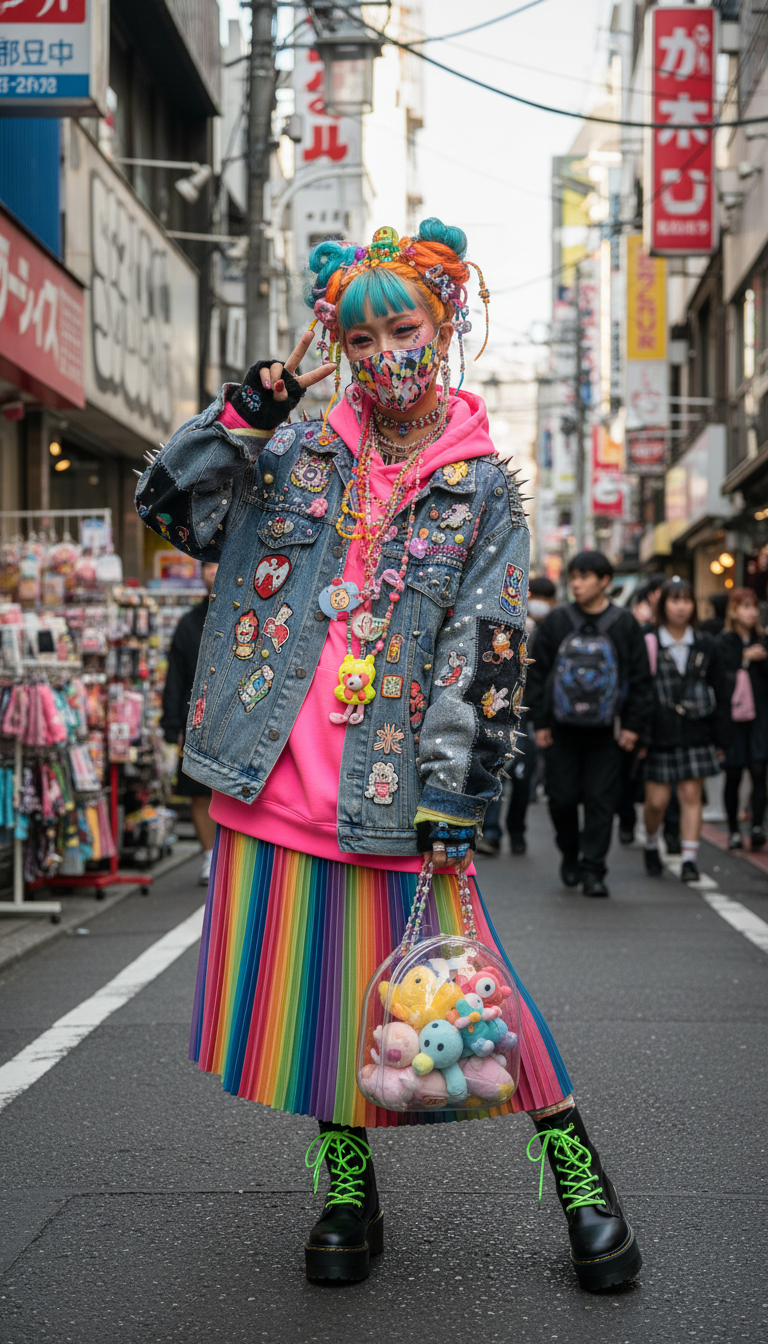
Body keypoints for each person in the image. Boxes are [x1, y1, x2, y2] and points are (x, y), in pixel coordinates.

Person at [136, 219, 641, 1293]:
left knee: (475, 991)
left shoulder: (486, 488)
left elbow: (492, 648)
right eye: (359, 341)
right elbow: (174, 512)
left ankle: (580, 1177)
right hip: (273, 769)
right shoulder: (296, 449)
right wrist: (244, 414)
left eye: (402, 329)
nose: (380, 358)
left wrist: (460, 780)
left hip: (397, 788)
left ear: (445, 324)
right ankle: (347, 1190)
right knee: (327, 997)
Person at [527, 551, 653, 897]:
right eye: (574, 577)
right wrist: (540, 721)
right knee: (562, 799)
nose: (577, 583)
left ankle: (594, 869)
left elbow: (641, 678)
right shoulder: (556, 621)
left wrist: (632, 726)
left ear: (605, 581)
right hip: (560, 729)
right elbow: (536, 674)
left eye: (585, 577)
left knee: (602, 801)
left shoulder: (625, 623)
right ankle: (571, 853)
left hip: (608, 732)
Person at [642, 579, 729, 882]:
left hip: (697, 729)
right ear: (663, 603)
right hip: (659, 732)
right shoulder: (649, 641)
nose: (681, 606)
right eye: (675, 600)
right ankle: (652, 844)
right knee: (656, 802)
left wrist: (721, 738)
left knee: (691, 794)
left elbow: (721, 691)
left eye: (687, 600)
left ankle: (689, 859)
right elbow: (639, 689)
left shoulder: (706, 644)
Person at [477, 575, 555, 856]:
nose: (539, 604)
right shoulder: (505, 625)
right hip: (501, 708)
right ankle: (493, 833)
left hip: (531, 714)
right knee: (498, 768)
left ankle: (517, 829)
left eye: (545, 598)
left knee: (522, 774)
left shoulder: (552, 630)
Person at [160, 562, 218, 884]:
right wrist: (171, 725)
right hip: (194, 719)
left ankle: (234, 856)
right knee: (199, 793)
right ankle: (210, 857)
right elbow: (175, 678)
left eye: (219, 562)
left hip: (238, 718)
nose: (214, 570)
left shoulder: (249, 616)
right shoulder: (187, 624)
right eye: (208, 565)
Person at [717, 588, 768, 850]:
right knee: (734, 774)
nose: (751, 612)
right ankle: (734, 830)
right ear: (734, 610)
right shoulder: (724, 641)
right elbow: (718, 677)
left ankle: (757, 826)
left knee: (759, 771)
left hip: (759, 715)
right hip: (732, 716)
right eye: (745, 606)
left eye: (754, 606)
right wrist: (743, 658)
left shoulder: (763, 638)